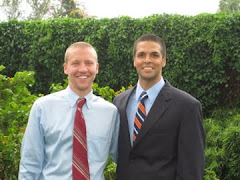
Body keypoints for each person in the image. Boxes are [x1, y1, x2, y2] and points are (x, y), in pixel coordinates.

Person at [18, 42, 119, 180]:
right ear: (66, 68)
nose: (83, 69)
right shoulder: (43, 107)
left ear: (97, 68)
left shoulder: (110, 112)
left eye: (89, 63)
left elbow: (123, 158)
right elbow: (30, 164)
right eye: (75, 63)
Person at [113, 34, 205, 180]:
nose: (147, 60)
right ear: (134, 61)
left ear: (163, 61)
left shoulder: (187, 106)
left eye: (154, 55)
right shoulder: (119, 102)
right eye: (141, 55)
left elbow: (192, 168)